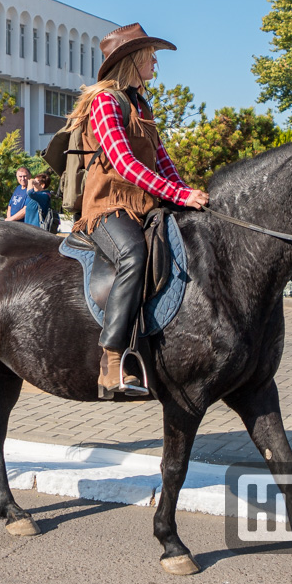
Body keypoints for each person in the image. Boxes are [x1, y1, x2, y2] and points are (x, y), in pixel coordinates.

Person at [65, 23, 209, 399]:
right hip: (109, 206)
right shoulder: (105, 102)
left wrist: (187, 195)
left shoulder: (141, 105)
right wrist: (176, 193)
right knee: (133, 254)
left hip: (145, 204)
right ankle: (112, 360)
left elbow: (163, 161)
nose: (156, 62)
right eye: (151, 56)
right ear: (133, 59)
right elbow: (124, 164)